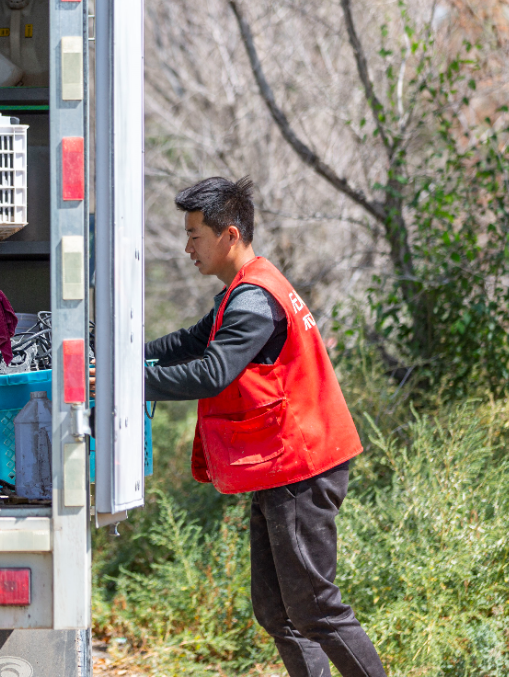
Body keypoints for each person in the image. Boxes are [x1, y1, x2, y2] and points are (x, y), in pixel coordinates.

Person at [144, 177, 385, 677]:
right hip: (284, 464)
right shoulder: (244, 288)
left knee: (318, 609)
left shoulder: (254, 298)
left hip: (303, 464)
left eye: (194, 235)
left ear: (229, 235)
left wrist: (130, 383)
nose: (186, 246)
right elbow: (194, 341)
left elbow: (213, 372)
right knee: (278, 612)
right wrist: (130, 358)